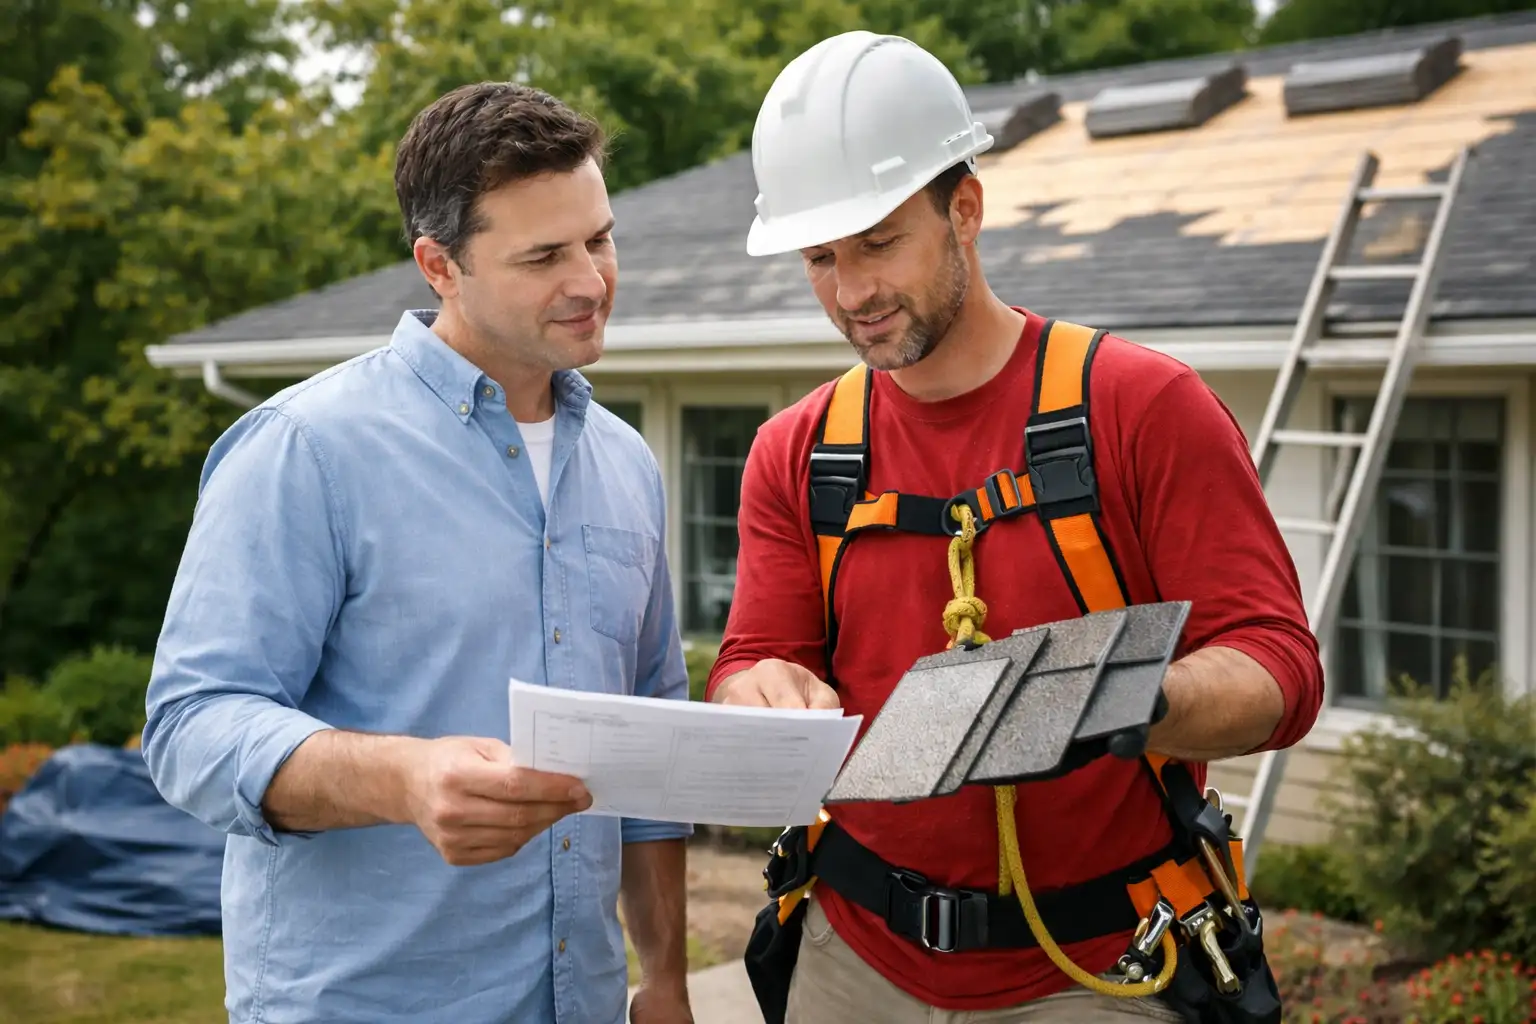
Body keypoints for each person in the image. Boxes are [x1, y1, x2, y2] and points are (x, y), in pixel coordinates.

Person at [707, 30, 1324, 1024]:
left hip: (1100, 970)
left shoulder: (1139, 407)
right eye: (820, 258)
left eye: (877, 242)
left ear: (966, 209)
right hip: (853, 959)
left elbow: (1280, 670)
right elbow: (755, 657)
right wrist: (753, 688)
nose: (851, 292)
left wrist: (1119, 697)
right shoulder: (801, 452)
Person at [142, 82, 695, 1024]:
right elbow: (190, 726)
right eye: (544, 256)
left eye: (599, 239)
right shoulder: (305, 449)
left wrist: (668, 980)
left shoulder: (627, 464)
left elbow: (652, 740)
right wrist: (400, 779)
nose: (591, 280)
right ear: (439, 265)